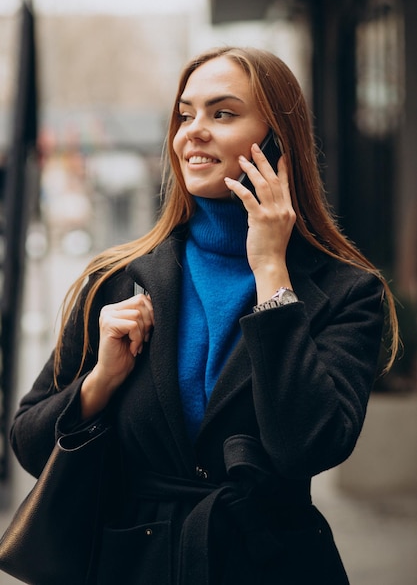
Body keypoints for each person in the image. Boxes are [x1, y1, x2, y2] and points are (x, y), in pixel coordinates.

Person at [10, 46, 398, 585]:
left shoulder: (346, 291)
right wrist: (101, 382)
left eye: (222, 113)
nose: (193, 131)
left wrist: (270, 272)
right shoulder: (115, 279)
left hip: (271, 565)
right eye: (185, 114)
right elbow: (30, 446)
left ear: (276, 140)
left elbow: (308, 443)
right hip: (132, 565)